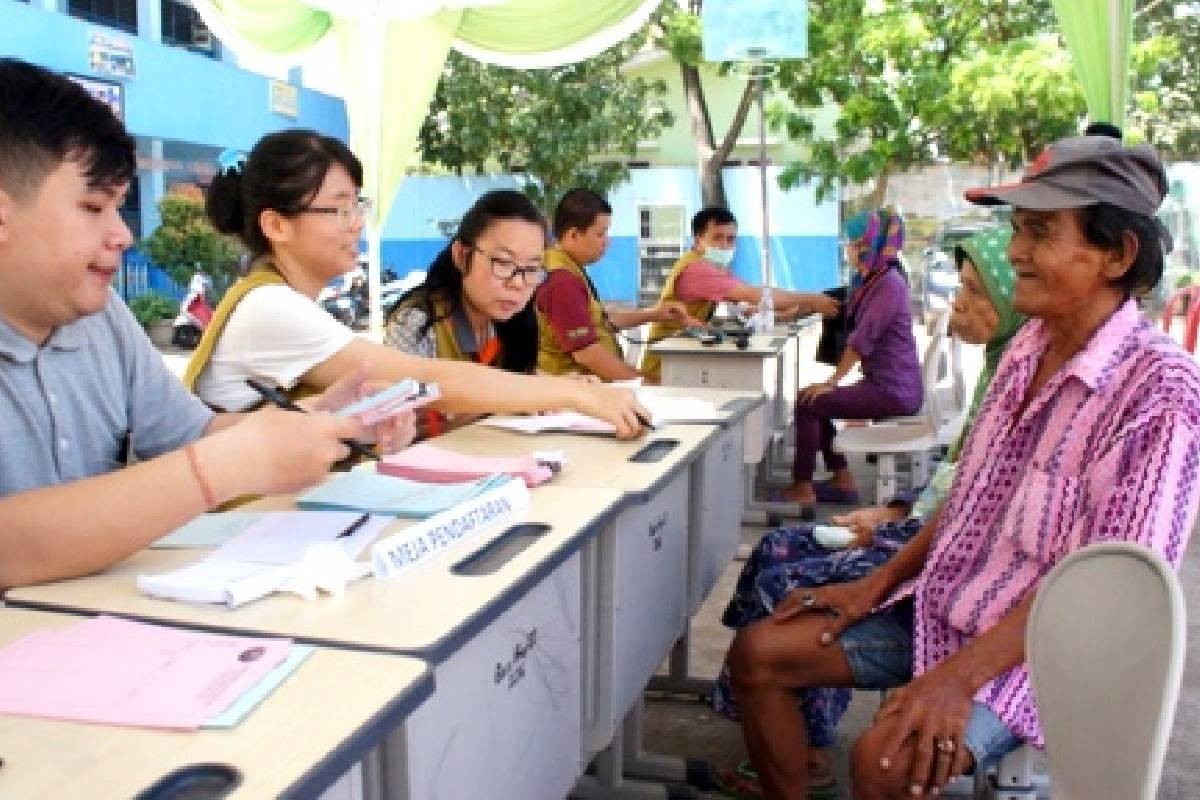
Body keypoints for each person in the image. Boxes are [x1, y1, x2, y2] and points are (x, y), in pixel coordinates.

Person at [724, 134, 1200, 800]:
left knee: (885, 764)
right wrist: (877, 583)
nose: (1014, 253)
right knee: (759, 655)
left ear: (1116, 255)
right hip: (951, 606)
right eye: (1017, 230)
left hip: (1044, 655)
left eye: (1039, 233)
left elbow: (1104, 599)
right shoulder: (1028, 346)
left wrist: (952, 680)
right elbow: (971, 497)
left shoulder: (1160, 393)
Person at [0, 59, 415, 590]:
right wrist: (216, 469)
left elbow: (190, 435)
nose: (122, 236)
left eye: (120, 210)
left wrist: (323, 420)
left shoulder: (103, 320)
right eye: (93, 207)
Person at [712, 227, 1025, 797]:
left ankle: (805, 744)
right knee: (775, 556)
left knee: (785, 572)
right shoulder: (1006, 368)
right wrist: (897, 511)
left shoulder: (1039, 374)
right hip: (927, 548)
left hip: (955, 588)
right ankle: (784, 739)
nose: (958, 303)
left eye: (976, 293)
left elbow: (982, 519)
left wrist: (890, 536)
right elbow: (960, 489)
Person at [185, 132, 648, 437]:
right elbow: (431, 381)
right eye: (339, 209)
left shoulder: (282, 301)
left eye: (357, 206)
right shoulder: (271, 308)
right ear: (277, 226)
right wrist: (576, 394)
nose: (356, 224)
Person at [773, 208, 922, 516]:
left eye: (857, 244)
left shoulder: (888, 284)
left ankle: (803, 485)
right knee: (816, 399)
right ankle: (841, 479)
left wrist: (831, 381)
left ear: (874, 244)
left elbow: (861, 340)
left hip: (892, 390)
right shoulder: (870, 280)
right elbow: (836, 304)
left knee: (810, 401)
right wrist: (798, 309)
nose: (851, 250)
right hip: (886, 384)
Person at [384, 189, 543, 435]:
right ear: (461, 255)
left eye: (532, 268)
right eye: (503, 262)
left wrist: (560, 387)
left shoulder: (507, 324)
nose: (518, 283)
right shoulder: (418, 323)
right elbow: (386, 428)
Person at [638, 207, 839, 382]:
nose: (725, 245)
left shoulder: (713, 267)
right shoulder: (698, 269)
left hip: (680, 357)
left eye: (731, 239)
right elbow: (757, 295)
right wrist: (811, 299)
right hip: (665, 365)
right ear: (699, 240)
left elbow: (753, 299)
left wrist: (796, 307)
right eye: (717, 238)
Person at [535, 188, 705, 381]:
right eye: (600, 234)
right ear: (573, 235)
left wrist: (654, 314)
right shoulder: (562, 282)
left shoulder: (569, 269)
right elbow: (587, 354)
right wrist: (642, 382)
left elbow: (600, 322)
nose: (607, 242)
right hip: (575, 396)